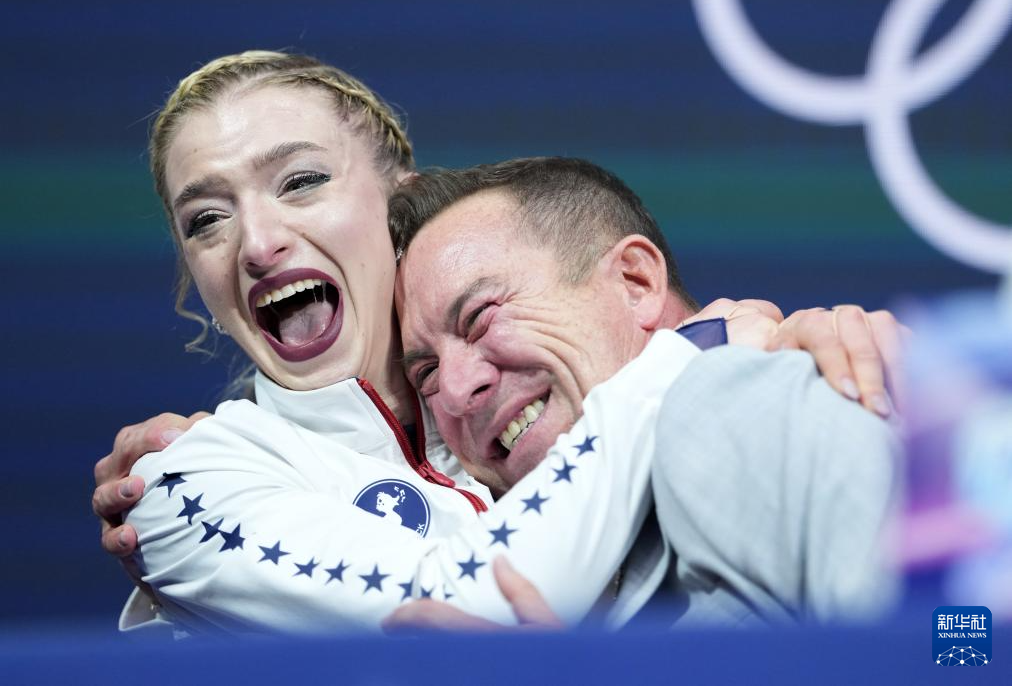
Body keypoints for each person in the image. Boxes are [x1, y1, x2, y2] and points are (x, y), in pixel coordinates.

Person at [94, 50, 902, 634]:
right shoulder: (189, 482)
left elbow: (951, 644)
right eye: (206, 219)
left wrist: (799, 374)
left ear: (395, 202)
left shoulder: (701, 405)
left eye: (300, 180)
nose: (258, 242)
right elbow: (461, 605)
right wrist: (685, 358)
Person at [381, 157, 900, 628]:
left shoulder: (741, 402)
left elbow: (945, 649)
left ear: (636, 281)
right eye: (427, 374)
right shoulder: (535, 574)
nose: (455, 391)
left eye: (479, 318)